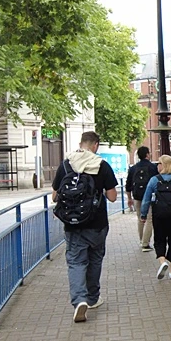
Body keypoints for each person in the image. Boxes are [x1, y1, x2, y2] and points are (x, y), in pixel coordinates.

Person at [52, 131, 118, 323]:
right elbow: (113, 197)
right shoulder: (101, 165)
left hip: (73, 224)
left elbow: (55, 196)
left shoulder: (66, 165)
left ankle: (79, 300)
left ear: (81, 144)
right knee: (95, 259)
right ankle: (93, 298)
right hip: (97, 224)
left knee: (76, 262)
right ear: (95, 145)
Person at [125, 146, 158, 252]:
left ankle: (141, 240)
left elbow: (128, 184)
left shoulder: (133, 168)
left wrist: (129, 198)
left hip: (137, 196)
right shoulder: (153, 167)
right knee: (149, 219)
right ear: (147, 154)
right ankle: (145, 243)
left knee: (140, 218)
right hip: (150, 197)